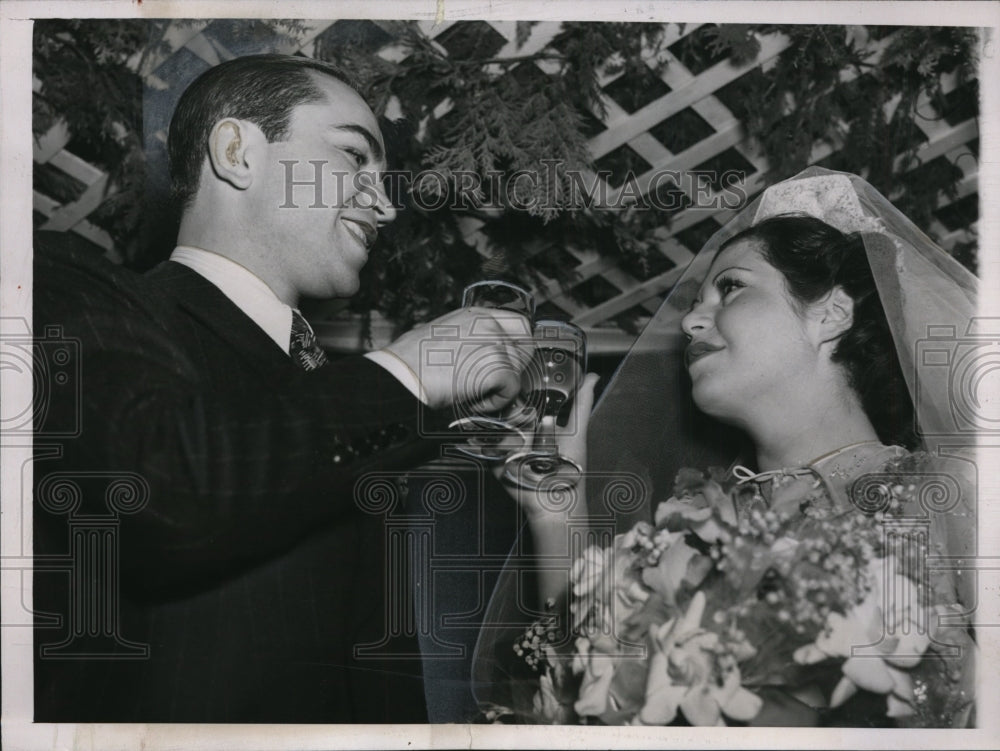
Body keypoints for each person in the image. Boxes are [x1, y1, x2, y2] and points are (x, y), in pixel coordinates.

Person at [32, 54, 532, 723]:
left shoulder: (348, 404)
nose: (385, 206)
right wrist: (411, 370)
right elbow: (160, 489)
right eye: (354, 156)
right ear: (237, 151)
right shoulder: (71, 291)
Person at [473, 167, 978, 727]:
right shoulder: (689, 527)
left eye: (731, 287)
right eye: (696, 300)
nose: (690, 320)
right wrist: (556, 515)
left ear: (832, 314)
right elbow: (579, 702)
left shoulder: (950, 494)